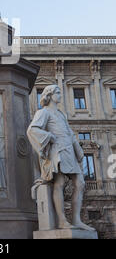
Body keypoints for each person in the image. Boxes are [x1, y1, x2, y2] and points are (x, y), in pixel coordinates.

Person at [27, 85, 94, 231]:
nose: (60, 95)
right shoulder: (43, 112)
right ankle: (62, 221)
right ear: (50, 95)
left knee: (80, 183)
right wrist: (49, 136)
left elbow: (69, 132)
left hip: (69, 149)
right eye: (57, 92)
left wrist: (78, 149)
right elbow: (32, 129)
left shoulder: (61, 114)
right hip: (58, 150)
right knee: (60, 182)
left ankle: (76, 220)